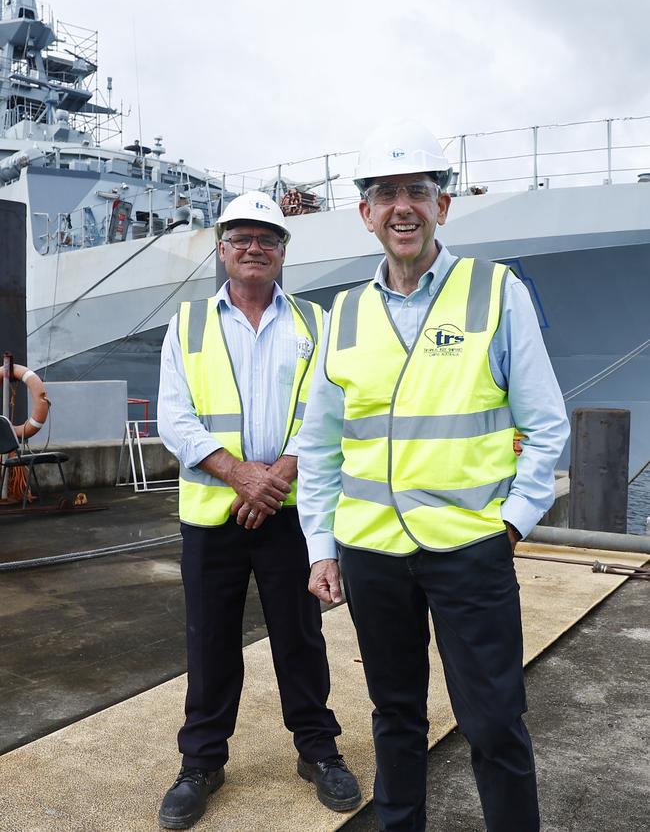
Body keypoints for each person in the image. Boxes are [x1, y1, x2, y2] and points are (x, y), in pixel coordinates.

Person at [297, 119, 570, 832]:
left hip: (470, 548)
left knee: (494, 723)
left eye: (417, 190)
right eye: (384, 194)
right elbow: (320, 446)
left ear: (442, 205)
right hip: (373, 554)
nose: (402, 207)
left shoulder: (495, 292)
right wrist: (322, 547)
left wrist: (514, 518)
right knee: (394, 717)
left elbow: (546, 422)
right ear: (365, 214)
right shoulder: (342, 316)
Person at [157, 190, 361, 830]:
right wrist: (240, 475)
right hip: (212, 518)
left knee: (300, 637)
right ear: (221, 249)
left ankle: (317, 750)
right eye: (240, 238)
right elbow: (174, 419)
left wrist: (276, 476)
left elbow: (329, 410)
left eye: (266, 239)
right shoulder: (188, 324)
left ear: (282, 252)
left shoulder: (315, 324)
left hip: (290, 515)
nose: (253, 248)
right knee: (210, 641)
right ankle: (201, 764)